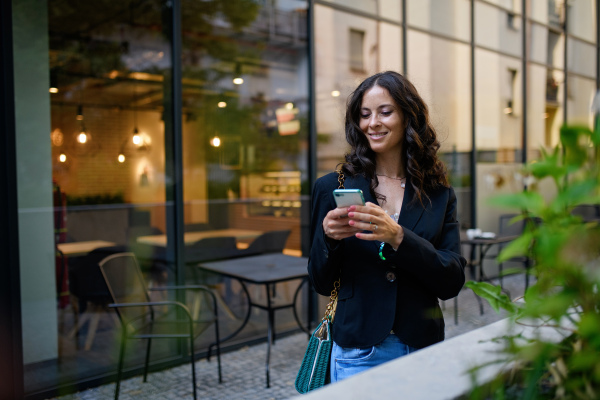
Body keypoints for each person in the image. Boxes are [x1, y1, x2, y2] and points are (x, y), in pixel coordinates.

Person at [307, 71, 466, 383]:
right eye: (364, 114)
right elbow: (320, 281)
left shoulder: (438, 193)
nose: (372, 123)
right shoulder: (331, 187)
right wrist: (330, 239)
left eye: (385, 112)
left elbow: (452, 281)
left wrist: (399, 237)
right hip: (360, 352)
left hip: (423, 347)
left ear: (408, 117)